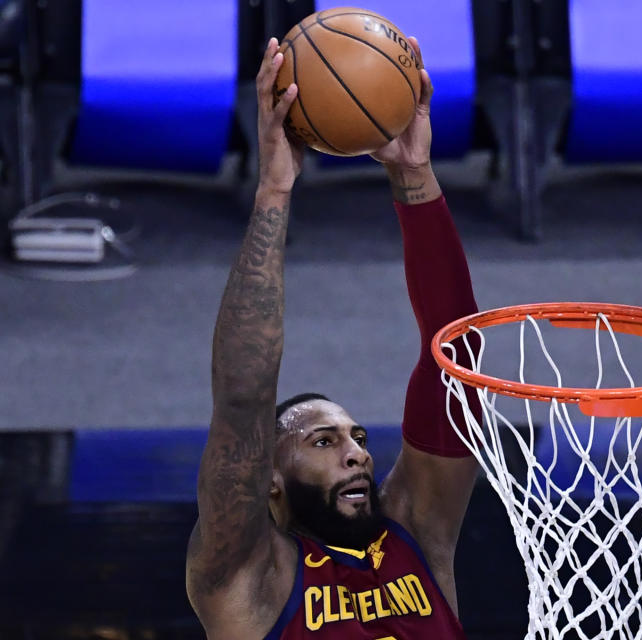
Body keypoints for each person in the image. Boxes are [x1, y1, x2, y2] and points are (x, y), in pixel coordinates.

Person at [186, 36, 480, 639]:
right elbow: (243, 397)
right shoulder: (249, 579)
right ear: (266, 475)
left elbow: (456, 356)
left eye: (356, 437)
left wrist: (413, 174)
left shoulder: (417, 533)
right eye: (322, 441)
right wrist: (273, 190)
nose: (358, 453)